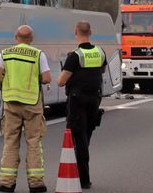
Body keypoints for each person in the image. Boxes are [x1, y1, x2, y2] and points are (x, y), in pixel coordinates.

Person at [0, 25, 51, 193]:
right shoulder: (38, 54)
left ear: (16, 37)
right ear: (31, 39)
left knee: (10, 142)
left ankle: (6, 183)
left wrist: (10, 82)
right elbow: (47, 78)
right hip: (32, 104)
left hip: (11, 103)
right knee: (33, 142)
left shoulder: (5, 53)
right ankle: (36, 183)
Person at [57, 21, 107, 190]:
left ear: (75, 31)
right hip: (95, 98)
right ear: (90, 32)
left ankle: (83, 179)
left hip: (77, 99)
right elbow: (101, 71)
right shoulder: (100, 52)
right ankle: (82, 174)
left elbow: (61, 81)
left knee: (79, 138)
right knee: (86, 135)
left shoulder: (75, 55)